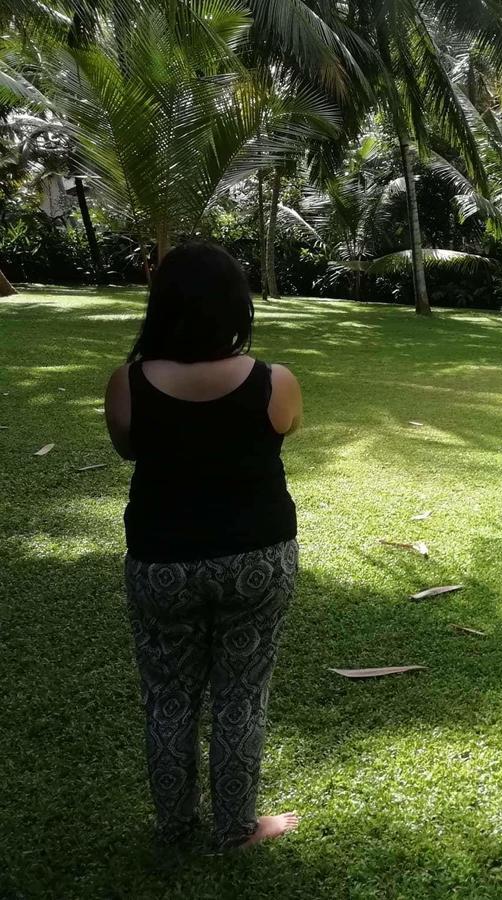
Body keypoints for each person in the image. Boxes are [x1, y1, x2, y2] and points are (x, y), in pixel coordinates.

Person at [104, 241, 304, 851]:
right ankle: (236, 828)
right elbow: (285, 429)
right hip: (256, 559)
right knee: (241, 696)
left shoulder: (128, 384)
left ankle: (174, 828)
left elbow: (128, 449)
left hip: (163, 559)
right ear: (237, 309)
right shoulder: (275, 381)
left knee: (167, 699)